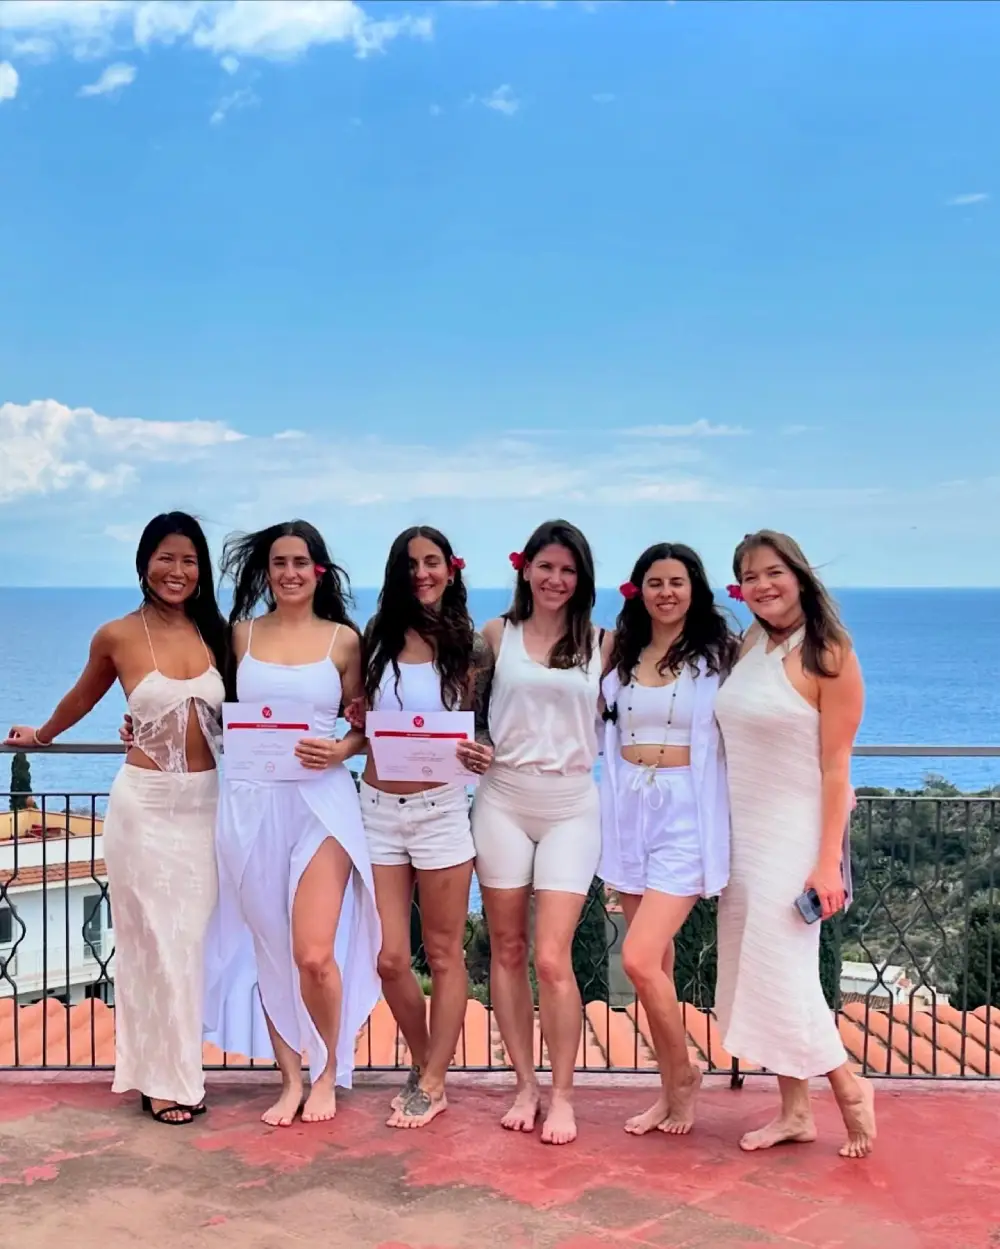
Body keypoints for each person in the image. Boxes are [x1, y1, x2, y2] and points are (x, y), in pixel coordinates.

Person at [6, 512, 228, 1125]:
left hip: (206, 806)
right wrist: (42, 736)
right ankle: (166, 1079)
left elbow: (254, 710)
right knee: (149, 944)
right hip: (145, 808)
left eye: (188, 560)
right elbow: (84, 694)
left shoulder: (220, 636)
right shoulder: (117, 635)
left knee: (187, 945)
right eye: (165, 557)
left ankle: (178, 1068)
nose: (176, 570)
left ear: (201, 570)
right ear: (144, 563)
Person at [202, 520, 381, 1127]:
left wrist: (341, 749)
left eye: (301, 562)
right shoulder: (239, 636)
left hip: (320, 803)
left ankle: (328, 1069)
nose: (289, 572)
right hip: (251, 804)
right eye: (279, 563)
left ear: (319, 570)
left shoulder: (344, 641)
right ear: (267, 571)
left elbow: (364, 725)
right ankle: (289, 1079)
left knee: (312, 953)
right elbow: (212, 711)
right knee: (271, 950)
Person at [714, 529, 875, 1159]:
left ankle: (847, 1086)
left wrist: (826, 860)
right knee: (760, 971)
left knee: (784, 971)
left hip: (793, 834)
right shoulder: (753, 641)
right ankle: (795, 1111)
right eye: (749, 578)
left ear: (799, 574)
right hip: (743, 833)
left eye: (772, 572)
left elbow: (837, 768)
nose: (762, 587)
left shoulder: (830, 653)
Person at [344, 526, 493, 1129]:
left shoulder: (471, 646)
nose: (422, 573)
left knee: (445, 953)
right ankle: (425, 1060)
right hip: (377, 809)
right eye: (411, 565)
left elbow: (481, 726)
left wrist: (481, 750)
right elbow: (354, 710)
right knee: (390, 958)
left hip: (440, 813)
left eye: (432, 563)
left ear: (450, 570)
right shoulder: (374, 637)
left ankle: (432, 1080)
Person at [473, 519, 613, 1146]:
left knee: (551, 958)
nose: (556, 579)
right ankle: (524, 1085)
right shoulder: (495, 635)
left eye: (568, 569)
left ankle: (562, 1093)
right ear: (525, 569)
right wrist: (472, 746)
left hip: (571, 805)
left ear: (581, 579)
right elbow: (470, 715)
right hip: (501, 798)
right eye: (546, 566)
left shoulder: (605, 643)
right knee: (506, 950)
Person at [599, 543, 736, 1137]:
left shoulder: (719, 656)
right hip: (628, 808)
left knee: (635, 958)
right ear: (638, 591)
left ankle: (683, 1074)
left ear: (694, 589)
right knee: (657, 961)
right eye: (654, 582)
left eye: (676, 582)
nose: (666, 592)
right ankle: (667, 1085)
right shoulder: (619, 652)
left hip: (686, 810)